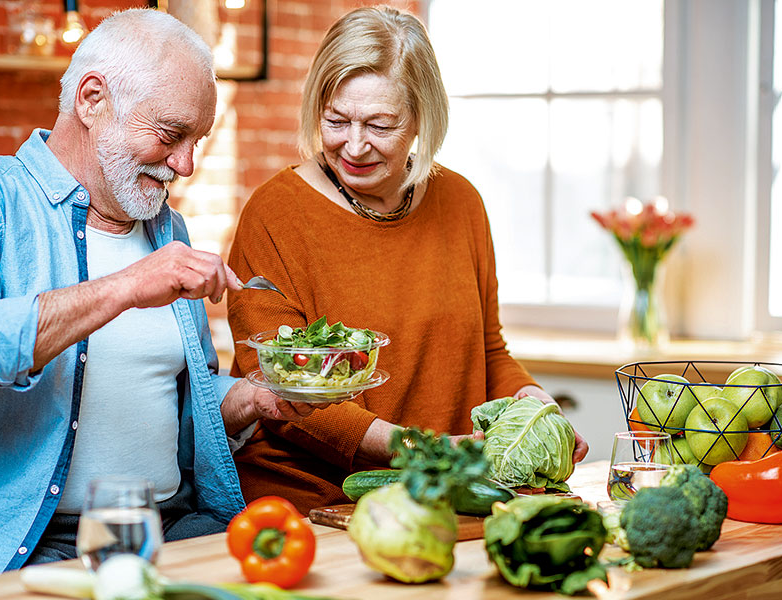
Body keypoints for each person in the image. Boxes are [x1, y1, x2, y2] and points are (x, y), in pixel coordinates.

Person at [0, 9, 314, 592]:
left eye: (197, 142)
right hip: (25, 547)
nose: (185, 165)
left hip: (174, 530)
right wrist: (127, 287)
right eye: (170, 134)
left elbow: (169, 401)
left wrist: (253, 399)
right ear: (92, 100)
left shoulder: (168, 231)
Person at [226, 6, 589, 515]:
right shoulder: (275, 214)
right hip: (317, 503)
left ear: (422, 117)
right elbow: (281, 391)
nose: (353, 145)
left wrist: (537, 409)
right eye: (336, 120)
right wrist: (425, 450)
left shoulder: (461, 202)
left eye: (380, 124)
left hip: (445, 494)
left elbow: (488, 352)